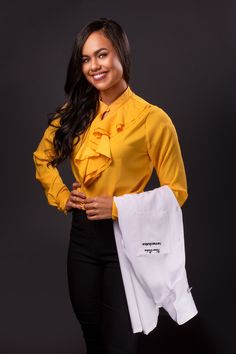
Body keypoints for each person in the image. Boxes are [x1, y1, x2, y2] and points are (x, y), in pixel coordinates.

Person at [33, 18, 188, 354]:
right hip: (83, 240)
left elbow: (176, 192)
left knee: (120, 343)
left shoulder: (152, 119)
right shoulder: (74, 113)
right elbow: (42, 158)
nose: (93, 66)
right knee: (92, 336)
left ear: (121, 54)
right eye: (86, 59)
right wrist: (62, 196)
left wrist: (117, 207)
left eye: (101, 55)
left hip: (127, 242)